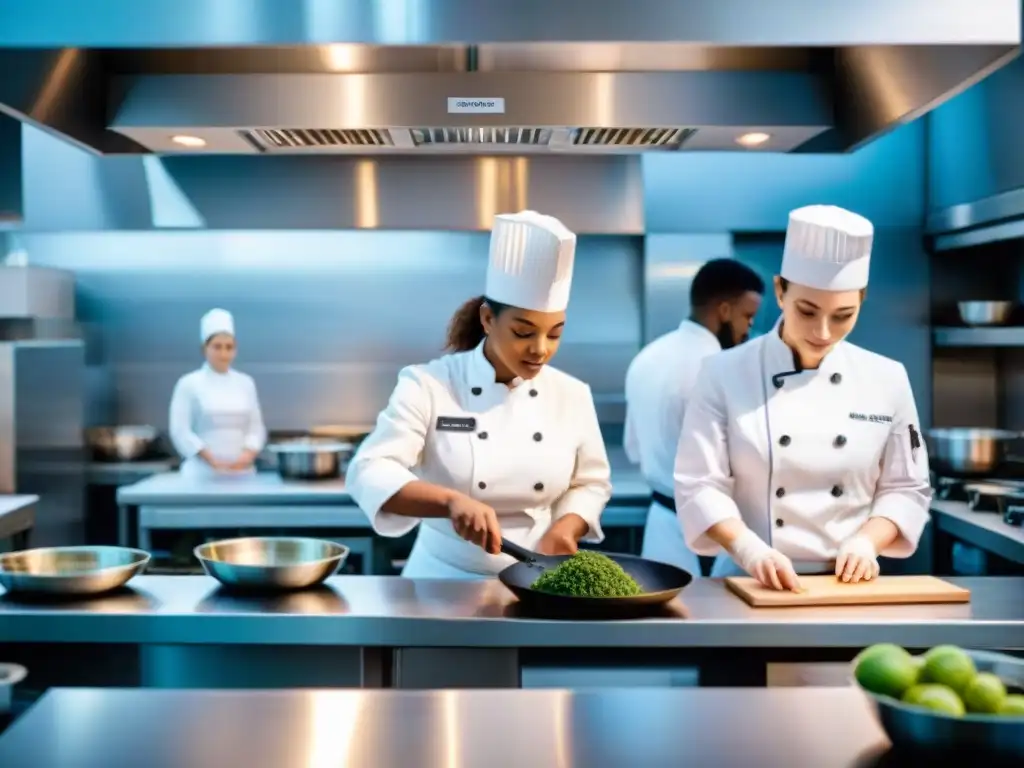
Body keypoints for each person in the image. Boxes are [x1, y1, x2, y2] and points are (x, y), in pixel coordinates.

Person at [674, 205, 932, 591]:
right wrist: (749, 550)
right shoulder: (722, 373)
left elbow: (906, 487)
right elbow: (699, 484)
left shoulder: (887, 378)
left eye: (843, 315)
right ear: (780, 291)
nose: (823, 332)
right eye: (807, 311)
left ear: (862, 299)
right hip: (747, 583)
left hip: (848, 586)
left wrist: (867, 542)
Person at [346, 210, 613, 578]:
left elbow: (591, 482)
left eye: (555, 334)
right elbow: (369, 469)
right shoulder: (429, 384)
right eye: (523, 332)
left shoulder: (571, 394)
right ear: (488, 319)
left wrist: (565, 527)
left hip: (539, 578)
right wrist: (450, 502)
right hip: (442, 581)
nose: (541, 349)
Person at [624, 259, 764, 576]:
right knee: (725, 623)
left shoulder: (645, 358)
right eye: (748, 317)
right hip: (718, 530)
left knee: (665, 621)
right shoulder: (723, 368)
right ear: (725, 310)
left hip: (662, 525)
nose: (748, 330)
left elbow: (633, 448)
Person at [168, 308, 267, 479]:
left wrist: (245, 457)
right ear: (204, 348)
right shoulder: (189, 383)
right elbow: (180, 430)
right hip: (201, 475)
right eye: (217, 347)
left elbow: (256, 428)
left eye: (229, 347)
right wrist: (212, 461)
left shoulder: (246, 383)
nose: (223, 354)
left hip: (242, 475)